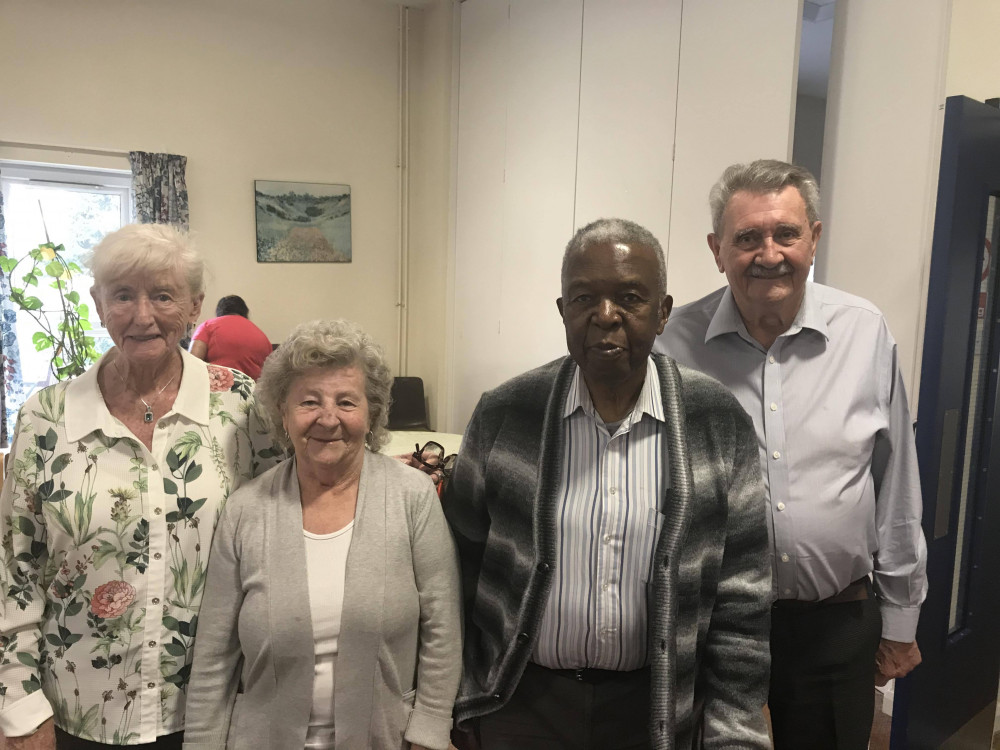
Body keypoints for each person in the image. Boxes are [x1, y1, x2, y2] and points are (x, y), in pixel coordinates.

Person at [442, 218, 772, 750]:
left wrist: (735, 731)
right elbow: (456, 567)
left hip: (654, 714)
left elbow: (743, 598)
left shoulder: (716, 421)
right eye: (583, 299)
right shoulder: (506, 414)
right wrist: (451, 703)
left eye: (630, 297)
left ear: (663, 312)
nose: (605, 317)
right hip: (518, 706)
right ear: (562, 311)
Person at [655, 159, 928, 749]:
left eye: (786, 233)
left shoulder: (864, 331)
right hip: (714, 622)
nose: (769, 253)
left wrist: (902, 618)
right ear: (717, 248)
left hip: (835, 620)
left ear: (815, 238)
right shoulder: (672, 344)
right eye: (747, 237)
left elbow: (897, 483)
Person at [0, 223, 280, 749]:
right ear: (98, 303)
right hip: (76, 712)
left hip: (212, 711)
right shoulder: (46, 416)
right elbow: (14, 568)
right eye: (123, 295)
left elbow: (282, 532)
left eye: (163, 295)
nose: (142, 315)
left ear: (195, 306)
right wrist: (19, 706)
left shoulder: (240, 403)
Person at [182, 319, 462, 750]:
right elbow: (214, 657)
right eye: (308, 401)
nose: (328, 418)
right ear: (282, 411)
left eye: (346, 402)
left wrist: (429, 732)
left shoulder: (413, 497)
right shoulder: (246, 510)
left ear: (371, 413)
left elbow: (442, 629)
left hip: (386, 740)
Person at [189, 295, 273, 380]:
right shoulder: (263, 337)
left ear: (219, 312)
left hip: (215, 389)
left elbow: (192, 363)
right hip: (251, 391)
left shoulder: (207, 326)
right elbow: (269, 376)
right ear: (245, 312)